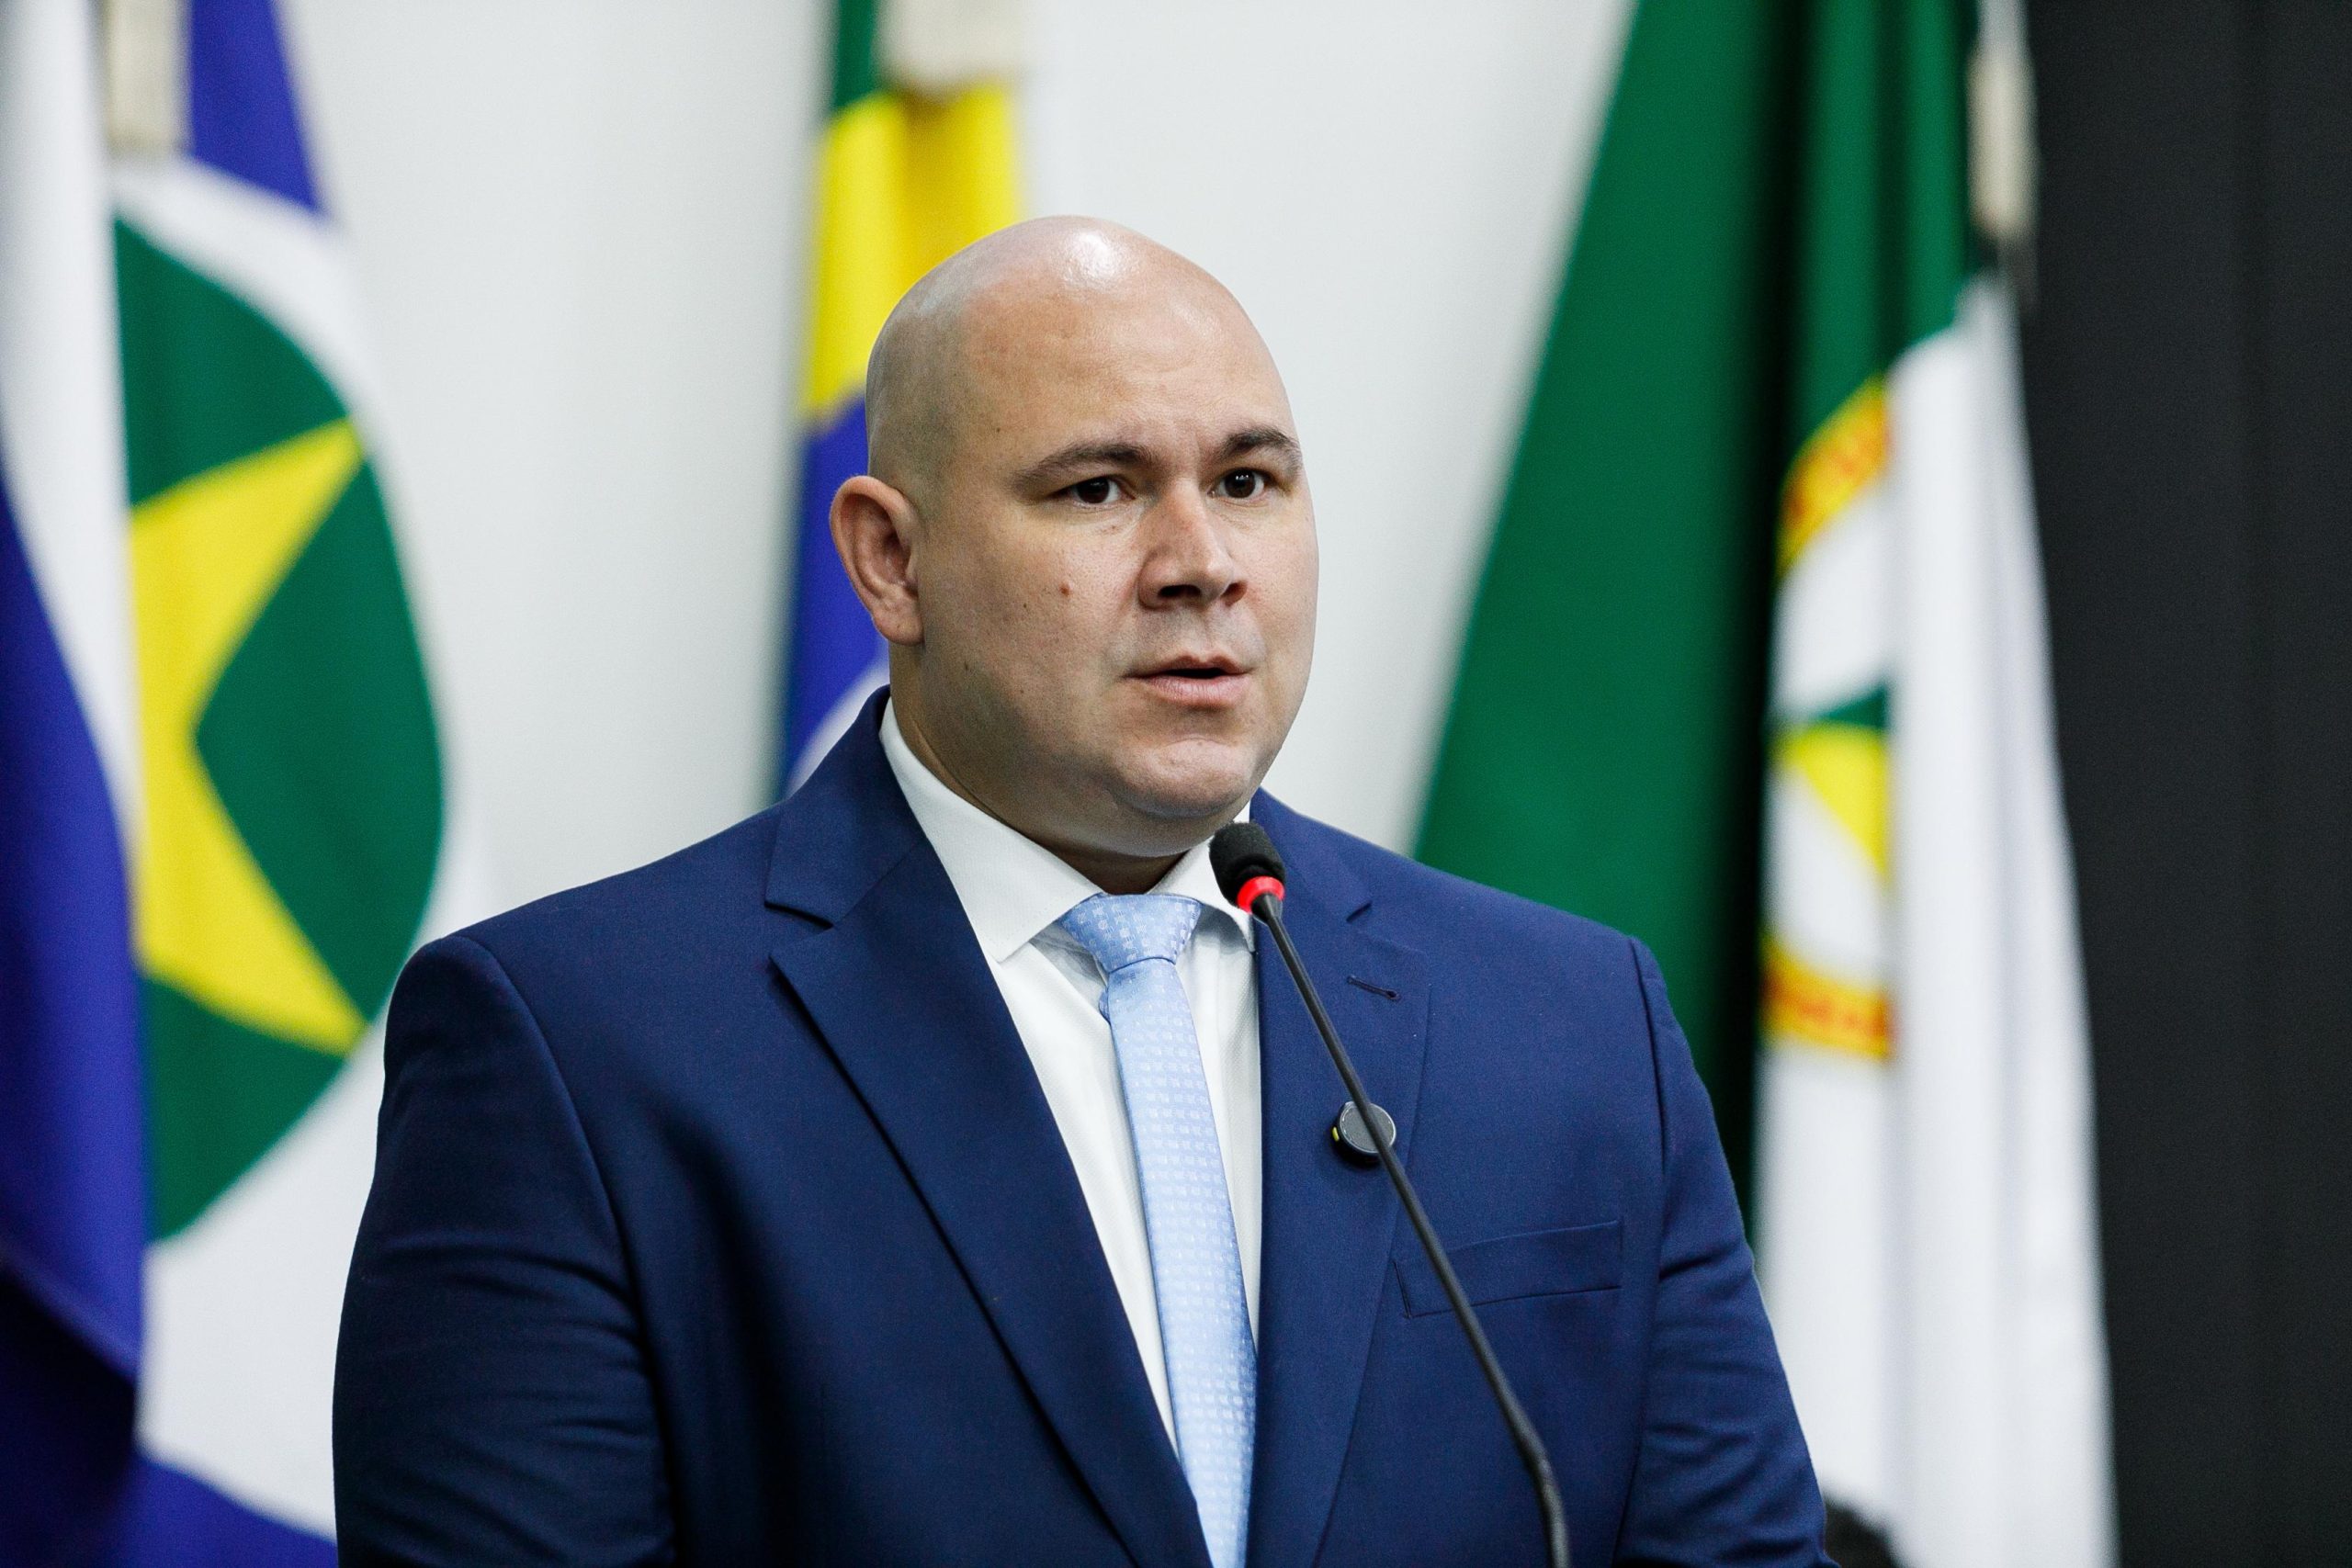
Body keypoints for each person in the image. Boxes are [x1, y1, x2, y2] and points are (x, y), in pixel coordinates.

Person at [334, 218, 1831, 1566]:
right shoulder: (580, 1052)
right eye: (1100, 488)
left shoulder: (1572, 1027)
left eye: (1247, 482)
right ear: (889, 562)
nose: (1202, 564)